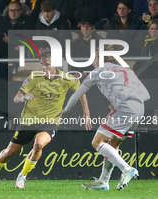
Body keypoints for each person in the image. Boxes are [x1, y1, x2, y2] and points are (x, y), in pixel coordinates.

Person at [0, 48, 90, 188]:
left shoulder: (67, 79)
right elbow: (16, 98)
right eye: (41, 64)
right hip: (29, 120)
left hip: (50, 121)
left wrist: (86, 113)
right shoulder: (34, 77)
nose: (43, 67)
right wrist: (24, 98)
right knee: (10, 152)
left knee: (39, 143)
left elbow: (81, 92)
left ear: (56, 64)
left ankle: (22, 176)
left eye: (46, 64)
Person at [57, 45, 150, 190]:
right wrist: (122, 100)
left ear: (101, 59)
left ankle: (127, 169)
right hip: (139, 108)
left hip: (125, 108)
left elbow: (77, 94)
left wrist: (66, 109)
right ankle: (103, 181)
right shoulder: (127, 70)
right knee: (113, 144)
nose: (93, 62)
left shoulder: (98, 70)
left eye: (95, 58)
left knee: (97, 142)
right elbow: (146, 95)